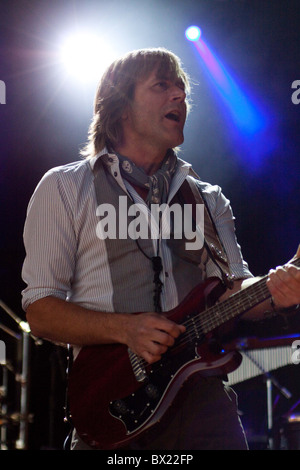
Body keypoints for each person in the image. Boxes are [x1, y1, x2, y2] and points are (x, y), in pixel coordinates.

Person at [21, 47, 300, 450]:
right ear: (120, 107)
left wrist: (278, 290)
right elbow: (41, 311)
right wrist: (125, 329)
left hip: (202, 403)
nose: (179, 97)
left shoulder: (208, 199)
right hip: (111, 401)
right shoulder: (64, 187)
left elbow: (234, 290)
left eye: (182, 89)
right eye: (162, 86)